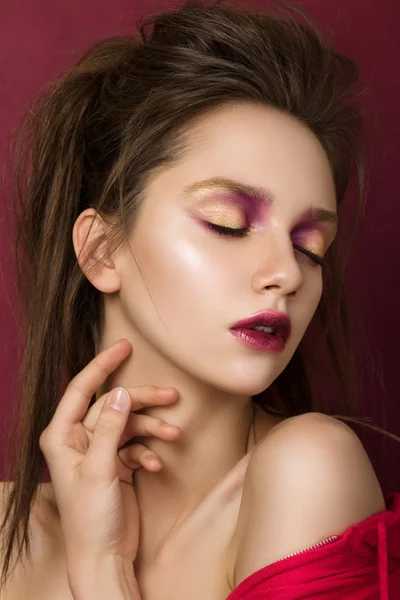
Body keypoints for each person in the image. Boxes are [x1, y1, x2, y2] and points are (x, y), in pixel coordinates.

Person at [1, 0, 399, 598]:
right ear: (103, 250)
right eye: (228, 224)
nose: (287, 273)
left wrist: (102, 570)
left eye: (311, 246)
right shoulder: (8, 525)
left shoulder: (310, 473)